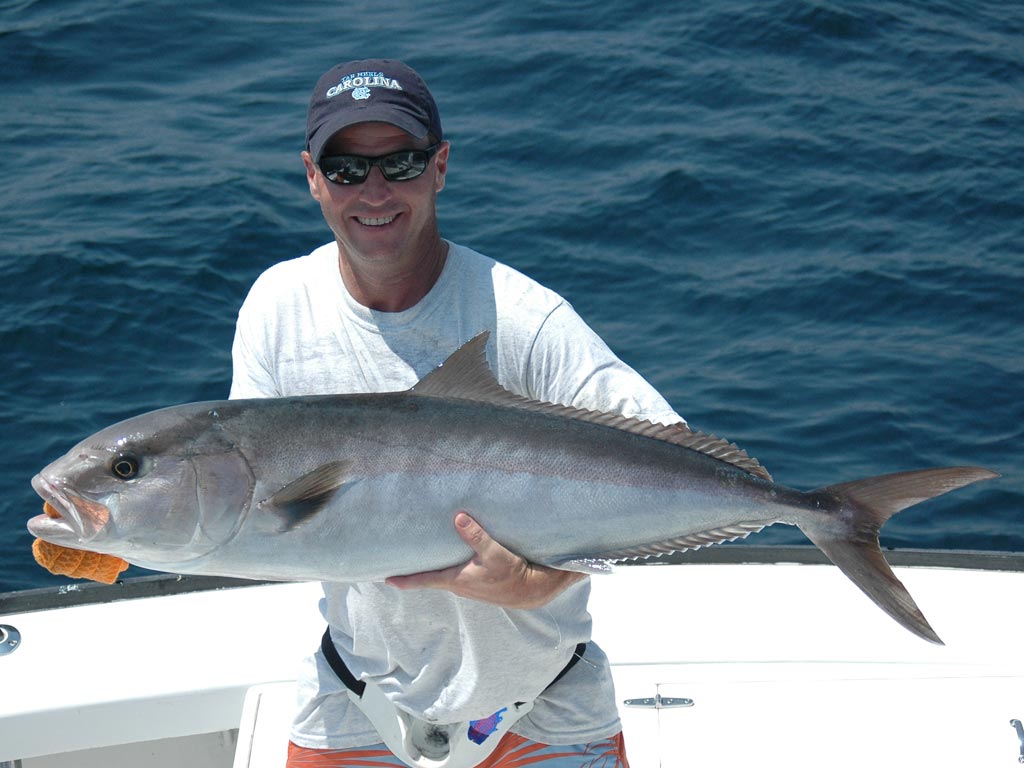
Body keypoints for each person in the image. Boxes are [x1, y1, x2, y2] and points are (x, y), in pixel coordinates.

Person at [230, 58, 682, 768]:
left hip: (546, 705)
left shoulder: (523, 319)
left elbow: (666, 460)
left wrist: (534, 581)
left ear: (439, 166)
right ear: (313, 176)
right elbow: (255, 515)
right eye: (346, 168)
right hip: (356, 701)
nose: (374, 189)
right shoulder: (278, 308)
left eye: (401, 162)